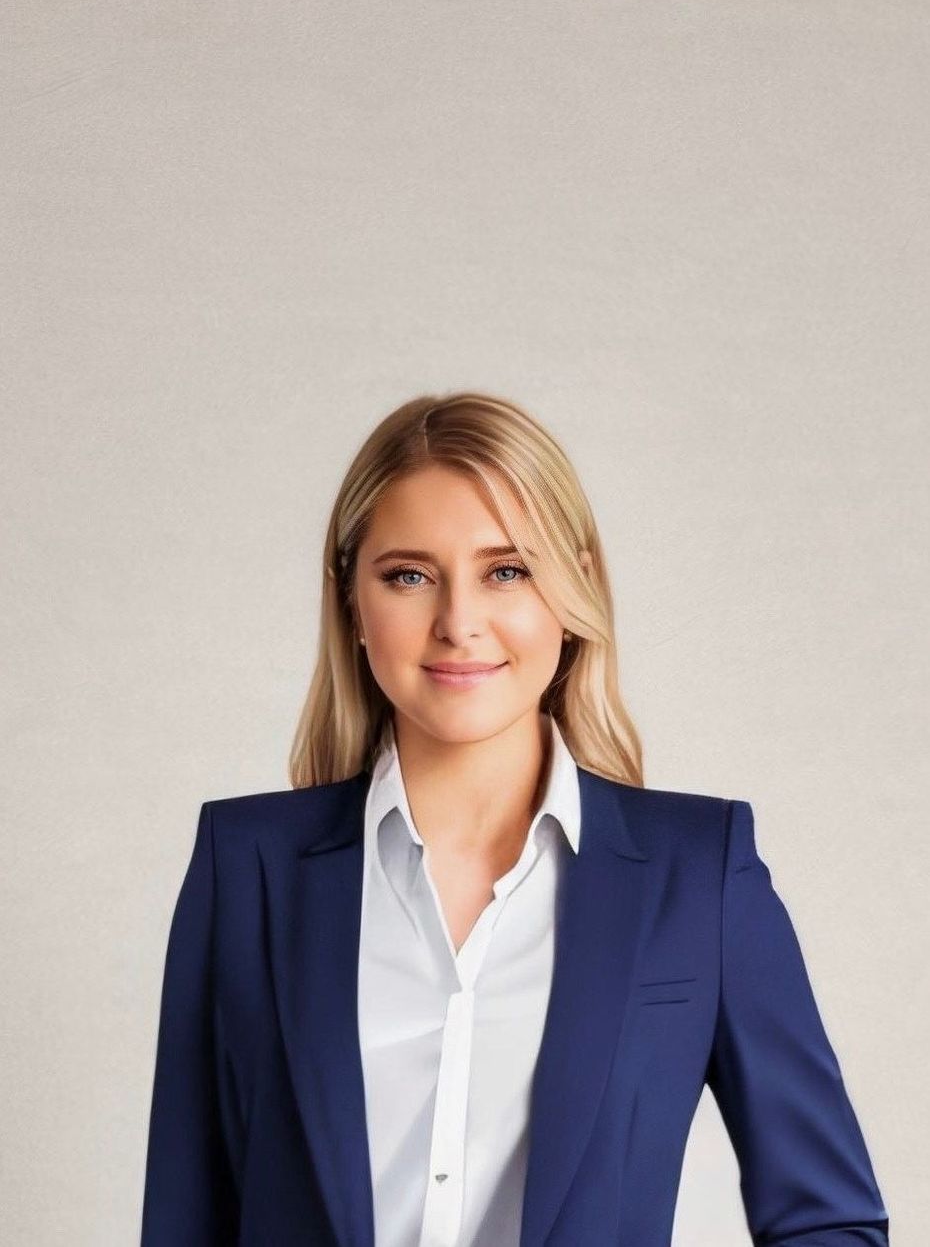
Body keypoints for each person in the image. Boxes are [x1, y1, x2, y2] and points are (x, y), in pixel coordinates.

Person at [140, 391, 889, 1246]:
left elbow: (830, 1221)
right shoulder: (248, 870)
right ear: (352, 601)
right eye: (409, 575)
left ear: (570, 593)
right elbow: (185, 1217)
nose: (460, 623)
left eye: (508, 570)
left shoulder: (699, 876)